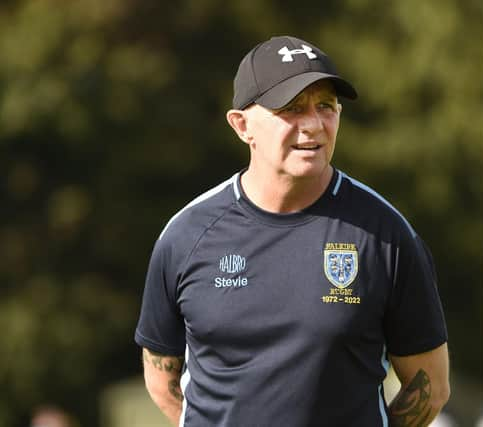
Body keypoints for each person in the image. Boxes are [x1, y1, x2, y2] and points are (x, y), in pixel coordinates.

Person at [135, 35, 450, 427]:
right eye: (291, 108)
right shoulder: (186, 235)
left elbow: (430, 387)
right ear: (241, 125)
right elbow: (161, 378)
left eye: (325, 106)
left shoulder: (386, 235)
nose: (314, 124)